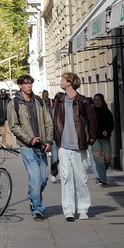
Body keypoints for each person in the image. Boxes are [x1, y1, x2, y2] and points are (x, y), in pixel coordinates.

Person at [8, 74, 56, 220]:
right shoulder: (14, 103)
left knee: (43, 178)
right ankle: (38, 210)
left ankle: (32, 196)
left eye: (30, 83)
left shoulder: (39, 101)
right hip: (27, 146)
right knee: (35, 179)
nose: (29, 86)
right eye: (26, 83)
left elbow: (48, 122)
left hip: (41, 145)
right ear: (20, 86)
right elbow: (14, 126)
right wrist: (29, 139)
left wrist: (48, 140)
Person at [50, 73, 98, 219]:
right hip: (63, 146)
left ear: (69, 82)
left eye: (63, 80)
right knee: (65, 178)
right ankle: (68, 210)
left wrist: (90, 140)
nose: (61, 81)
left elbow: (93, 122)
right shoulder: (60, 100)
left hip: (79, 146)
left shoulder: (83, 101)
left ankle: (83, 209)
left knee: (81, 179)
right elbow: (55, 120)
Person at [90, 93, 115, 183]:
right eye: (95, 99)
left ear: (102, 101)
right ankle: (101, 179)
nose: (96, 101)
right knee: (99, 157)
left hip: (105, 138)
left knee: (107, 159)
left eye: (98, 100)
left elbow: (111, 124)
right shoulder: (91, 112)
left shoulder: (107, 112)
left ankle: (100, 174)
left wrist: (107, 131)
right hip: (95, 138)